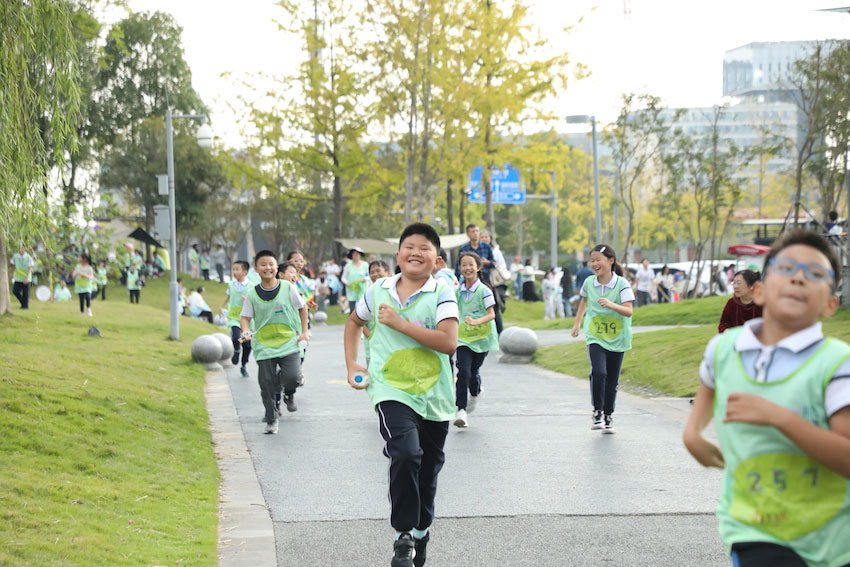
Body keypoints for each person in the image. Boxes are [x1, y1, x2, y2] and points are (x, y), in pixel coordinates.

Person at [683, 229, 850, 567]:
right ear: (759, 291)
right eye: (786, 268)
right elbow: (696, 422)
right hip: (752, 529)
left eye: (816, 274)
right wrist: (692, 438)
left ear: (831, 303)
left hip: (830, 539)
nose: (798, 279)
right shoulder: (724, 349)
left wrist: (779, 417)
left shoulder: (836, 362)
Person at [344, 223, 458, 567]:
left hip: (433, 393)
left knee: (428, 469)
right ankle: (403, 536)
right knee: (406, 453)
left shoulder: (442, 292)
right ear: (398, 255)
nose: (415, 253)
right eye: (409, 246)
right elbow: (352, 324)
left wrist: (399, 324)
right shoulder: (377, 290)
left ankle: (421, 531)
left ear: (436, 259)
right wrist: (352, 366)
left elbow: (448, 341)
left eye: (424, 248)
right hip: (389, 388)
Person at [241, 250, 308, 434]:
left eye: (271, 264)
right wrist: (246, 330)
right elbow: (245, 317)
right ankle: (271, 419)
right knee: (266, 385)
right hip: (264, 345)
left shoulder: (288, 288)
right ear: (256, 268)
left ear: (276, 267)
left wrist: (304, 332)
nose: (267, 268)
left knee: (293, 378)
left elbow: (303, 309)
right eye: (263, 264)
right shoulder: (252, 294)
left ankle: (283, 387)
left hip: (288, 342)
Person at [571, 244, 634, 434]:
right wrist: (577, 323)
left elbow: (629, 311)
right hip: (595, 335)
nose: (595, 263)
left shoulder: (622, 284)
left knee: (612, 380)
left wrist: (611, 305)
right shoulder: (589, 282)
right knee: (599, 372)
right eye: (592, 260)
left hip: (618, 338)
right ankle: (597, 411)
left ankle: (608, 416)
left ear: (611, 261)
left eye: (599, 259)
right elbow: (583, 300)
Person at [454, 250, 498, 428]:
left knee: (473, 372)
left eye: (470, 264)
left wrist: (476, 321)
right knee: (463, 371)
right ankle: (461, 410)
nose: (467, 268)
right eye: (463, 265)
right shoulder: (457, 291)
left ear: (478, 267)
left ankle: (476, 391)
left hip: (482, 337)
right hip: (463, 338)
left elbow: (492, 314)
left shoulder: (484, 290)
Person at [221, 261, 253, 378]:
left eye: (237, 269)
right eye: (233, 269)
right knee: (235, 337)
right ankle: (236, 350)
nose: (234, 272)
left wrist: (247, 301)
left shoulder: (251, 286)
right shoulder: (231, 284)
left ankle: (243, 365)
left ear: (245, 272)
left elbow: (254, 301)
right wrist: (221, 306)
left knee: (247, 345)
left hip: (247, 318)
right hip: (234, 317)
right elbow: (228, 296)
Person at [361, 259, 391, 369]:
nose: (375, 274)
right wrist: (372, 339)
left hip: (393, 347)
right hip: (374, 349)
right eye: (372, 272)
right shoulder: (369, 294)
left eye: (378, 270)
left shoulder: (396, 293)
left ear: (388, 273)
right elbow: (360, 322)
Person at [341, 247, 369, 315]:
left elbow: (369, 276)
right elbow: (343, 278)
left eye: (357, 254)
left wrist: (365, 279)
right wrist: (347, 283)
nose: (356, 255)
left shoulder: (365, 265)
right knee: (352, 308)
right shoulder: (348, 266)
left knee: (363, 308)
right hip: (352, 290)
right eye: (354, 254)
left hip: (362, 289)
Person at [11, 245, 34, 310]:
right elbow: (13, 265)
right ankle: (23, 303)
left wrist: (26, 278)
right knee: (15, 291)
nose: (21, 250)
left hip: (27, 278)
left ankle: (25, 307)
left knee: (25, 293)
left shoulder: (29, 257)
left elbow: (30, 268)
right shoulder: (15, 256)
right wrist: (12, 274)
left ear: (25, 249)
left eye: (22, 248)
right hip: (18, 277)